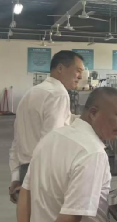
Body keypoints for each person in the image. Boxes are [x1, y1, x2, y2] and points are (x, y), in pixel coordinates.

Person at [6, 87, 117, 222]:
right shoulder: (92, 153)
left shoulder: (51, 138)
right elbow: (70, 218)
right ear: (93, 112)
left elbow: (25, 192)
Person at [8, 51, 85, 203]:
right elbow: (52, 142)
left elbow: (17, 141)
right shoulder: (58, 94)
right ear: (60, 68)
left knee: (28, 216)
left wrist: (16, 177)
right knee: (49, 218)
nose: (80, 77)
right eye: (78, 71)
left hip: (25, 170)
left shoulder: (30, 93)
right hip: (44, 173)